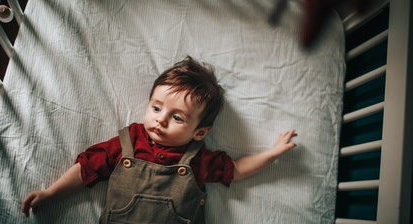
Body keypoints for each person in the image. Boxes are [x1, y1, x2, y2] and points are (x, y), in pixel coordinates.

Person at [21, 56, 297, 223]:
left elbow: (235, 170)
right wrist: (51, 193)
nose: (160, 120)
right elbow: (86, 169)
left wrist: (272, 153)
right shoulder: (127, 142)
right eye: (156, 108)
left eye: (177, 118)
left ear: (199, 132)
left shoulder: (198, 158)